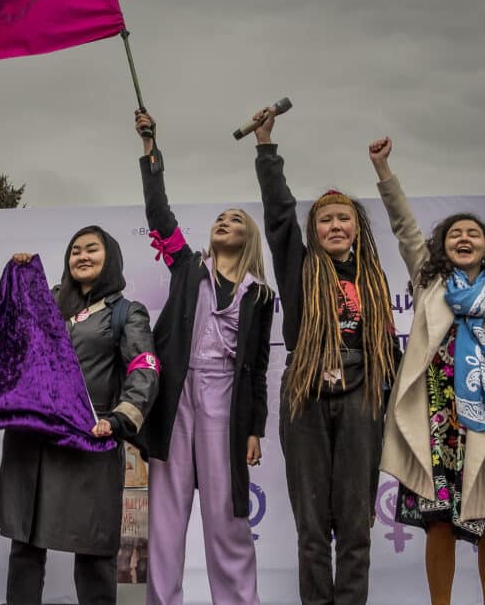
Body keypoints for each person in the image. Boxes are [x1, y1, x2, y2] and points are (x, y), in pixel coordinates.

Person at [249, 108, 400, 604]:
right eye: (326, 219)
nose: (335, 225)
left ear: (357, 228)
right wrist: (267, 146)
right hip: (307, 388)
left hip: (363, 394)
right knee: (312, 528)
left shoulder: (373, 276)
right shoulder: (299, 263)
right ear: (314, 228)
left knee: (355, 525)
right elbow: (276, 213)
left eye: (344, 218)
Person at [368, 138, 485, 605]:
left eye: (473, 234)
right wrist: (383, 168)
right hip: (435, 414)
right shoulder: (430, 282)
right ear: (442, 246)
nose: (463, 239)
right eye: (454, 234)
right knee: (438, 519)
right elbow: (405, 228)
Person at [134, 111, 274, 605]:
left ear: (248, 237)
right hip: (177, 397)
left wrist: (255, 428)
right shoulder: (187, 266)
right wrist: (151, 150)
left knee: (227, 516)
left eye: (235, 220)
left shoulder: (261, 295)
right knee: (167, 518)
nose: (224, 222)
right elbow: (160, 216)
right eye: (220, 218)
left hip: (226, 402)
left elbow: (257, 369)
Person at [0, 226, 159, 605]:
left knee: (95, 553)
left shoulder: (126, 313)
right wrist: (11, 279)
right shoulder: (46, 302)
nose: (82, 256)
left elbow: (144, 370)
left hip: (90, 438)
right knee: (25, 550)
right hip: (32, 439)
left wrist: (116, 421)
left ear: (110, 257)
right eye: (75, 250)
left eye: (92, 249)